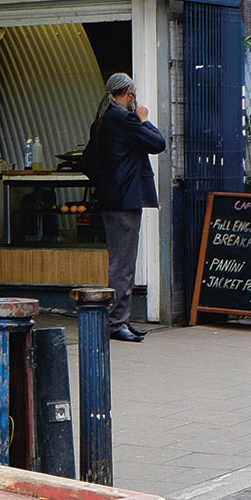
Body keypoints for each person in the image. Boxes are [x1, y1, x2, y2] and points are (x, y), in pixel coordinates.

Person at [87, 72, 166, 342]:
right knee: (123, 264)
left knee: (121, 261)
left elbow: (87, 161)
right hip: (124, 200)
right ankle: (116, 322)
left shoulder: (101, 120)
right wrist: (145, 119)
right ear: (129, 93)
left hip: (111, 198)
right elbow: (158, 143)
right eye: (134, 94)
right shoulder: (125, 118)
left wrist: (106, 181)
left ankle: (120, 319)